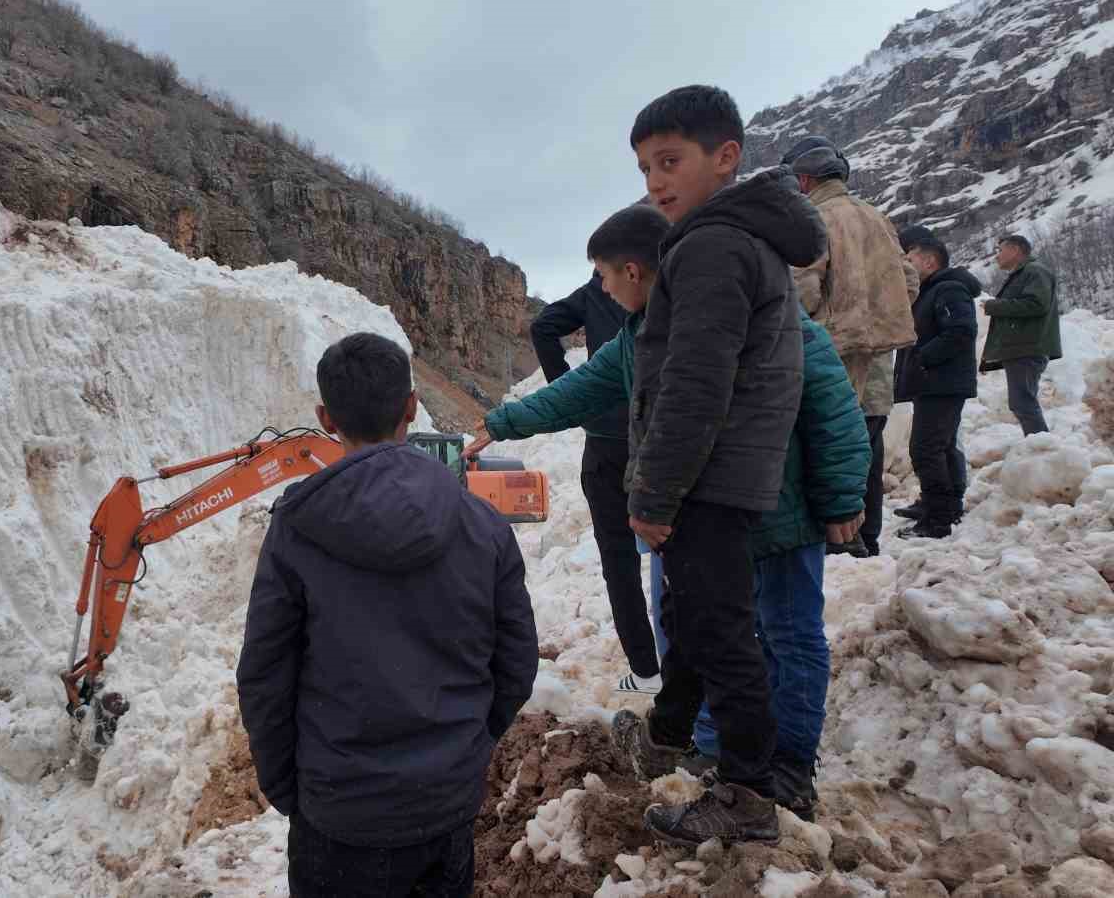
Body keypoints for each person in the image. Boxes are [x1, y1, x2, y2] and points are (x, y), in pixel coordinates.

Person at [477, 83, 826, 844]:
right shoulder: (734, 242)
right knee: (701, 623)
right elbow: (616, 383)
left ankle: (747, 794)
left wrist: (655, 496)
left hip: (711, 477)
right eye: (644, 168)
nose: (656, 181)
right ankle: (678, 735)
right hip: (726, 474)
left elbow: (693, 387)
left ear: (725, 156)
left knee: (724, 634)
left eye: (670, 161)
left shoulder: (710, 247)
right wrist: (504, 421)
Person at [238, 332, 537, 897]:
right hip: (446, 807)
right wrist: (466, 749)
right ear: (412, 407)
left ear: (326, 418)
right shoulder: (484, 525)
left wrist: (291, 790)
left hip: (339, 816)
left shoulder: (297, 529)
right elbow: (516, 664)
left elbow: (264, 676)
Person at [781, 137, 918, 558]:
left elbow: (802, 290)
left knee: (829, 443)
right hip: (878, 354)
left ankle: (840, 540)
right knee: (868, 443)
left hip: (831, 353)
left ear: (805, 180)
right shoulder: (877, 217)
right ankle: (868, 535)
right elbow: (909, 282)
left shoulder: (814, 218)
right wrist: (879, 316)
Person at [529, 272, 659, 694]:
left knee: (619, 564)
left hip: (606, 442)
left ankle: (646, 670)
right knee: (677, 557)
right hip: (658, 438)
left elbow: (543, 326)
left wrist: (570, 390)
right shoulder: (666, 285)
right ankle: (685, 666)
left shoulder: (593, 292)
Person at [893, 233, 981, 539]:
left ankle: (938, 518)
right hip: (935, 381)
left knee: (925, 449)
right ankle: (945, 505)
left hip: (941, 382)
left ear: (930, 261)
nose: (904, 263)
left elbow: (961, 331)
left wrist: (922, 359)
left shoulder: (948, 289)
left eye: (909, 258)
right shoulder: (932, 290)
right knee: (941, 446)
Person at [981, 234, 1061, 436]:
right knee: (1021, 402)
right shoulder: (1025, 273)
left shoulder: (1035, 271)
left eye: (1000, 250)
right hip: (1021, 348)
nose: (997, 256)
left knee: (1023, 402)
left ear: (1015, 250)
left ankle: (1042, 447)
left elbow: (1036, 304)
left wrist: (994, 306)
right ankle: (1040, 444)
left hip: (1027, 347)